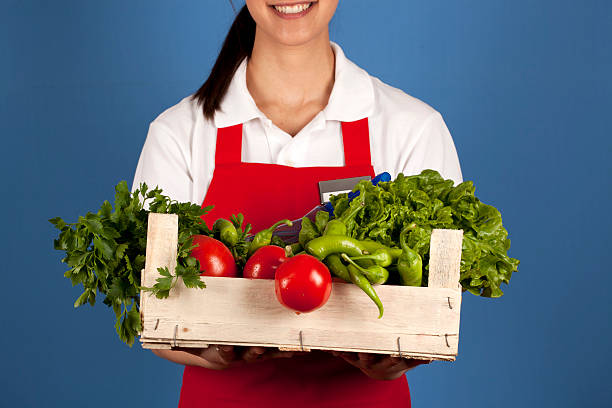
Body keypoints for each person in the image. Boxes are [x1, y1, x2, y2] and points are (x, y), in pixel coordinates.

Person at [132, 1, 462, 406]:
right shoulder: (179, 134)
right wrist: (213, 351)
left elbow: (435, 305)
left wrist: (399, 355)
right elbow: (152, 313)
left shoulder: (412, 128)